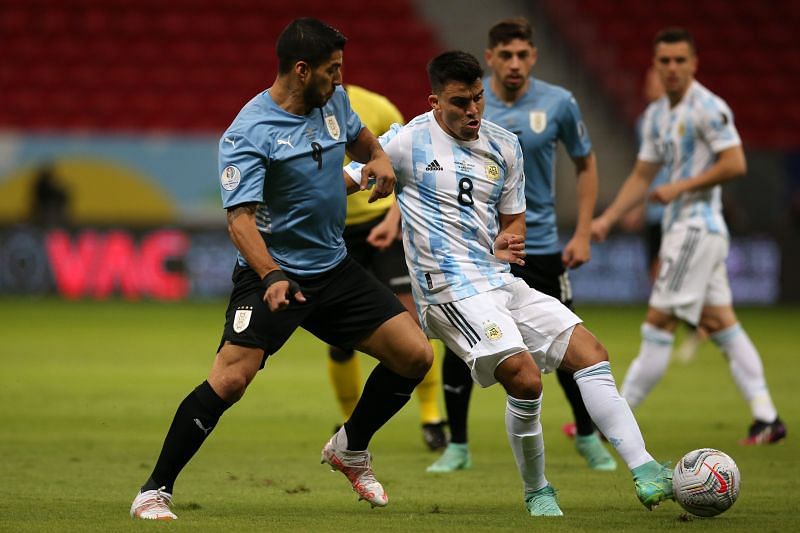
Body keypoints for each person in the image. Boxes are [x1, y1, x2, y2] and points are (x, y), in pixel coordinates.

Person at [346, 50, 674, 517]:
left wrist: (508, 239)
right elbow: (348, 179)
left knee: (591, 354)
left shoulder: (504, 145)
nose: (473, 111)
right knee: (524, 378)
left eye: (478, 99)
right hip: (448, 292)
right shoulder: (405, 143)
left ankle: (645, 470)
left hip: (498, 280)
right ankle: (538, 490)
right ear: (435, 102)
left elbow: (513, 220)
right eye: (460, 102)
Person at [129, 18, 433, 520]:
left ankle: (350, 447)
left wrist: (377, 156)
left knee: (415, 355)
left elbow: (360, 138)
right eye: (332, 70)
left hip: (334, 267)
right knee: (229, 381)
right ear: (300, 70)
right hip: (275, 272)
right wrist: (271, 275)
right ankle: (154, 489)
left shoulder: (332, 100)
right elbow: (240, 222)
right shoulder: (249, 133)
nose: (339, 80)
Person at [427, 17, 616, 475]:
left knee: (568, 343)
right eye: (505, 55)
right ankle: (458, 445)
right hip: (475, 252)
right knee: (463, 346)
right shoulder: (470, 106)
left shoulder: (559, 104)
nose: (514, 64)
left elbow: (585, 164)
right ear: (490, 58)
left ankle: (588, 437)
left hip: (542, 245)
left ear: (533, 56)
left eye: (522, 54)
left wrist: (585, 229)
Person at [591, 27, 786, 446]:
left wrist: (680, 188)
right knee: (722, 324)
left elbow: (735, 162)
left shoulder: (708, 108)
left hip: (696, 228)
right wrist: (608, 217)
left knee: (658, 321)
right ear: (656, 65)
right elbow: (643, 173)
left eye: (681, 60)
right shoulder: (659, 116)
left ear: (694, 63)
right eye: (665, 61)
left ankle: (616, 420)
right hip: (689, 231)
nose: (673, 68)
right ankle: (767, 418)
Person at [327, 84, 446, 451]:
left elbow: (407, 166)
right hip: (336, 232)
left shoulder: (376, 106)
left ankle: (431, 416)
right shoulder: (302, 115)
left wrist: (393, 220)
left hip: (383, 226)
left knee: (414, 324)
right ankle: (349, 421)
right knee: (339, 338)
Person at [621, 66, 707, 364]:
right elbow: (645, 172)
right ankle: (695, 323)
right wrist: (638, 207)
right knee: (657, 273)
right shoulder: (645, 121)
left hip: (679, 211)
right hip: (655, 212)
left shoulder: (688, 117)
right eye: (648, 77)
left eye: (653, 78)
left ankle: (675, 328)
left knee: (663, 272)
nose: (649, 83)